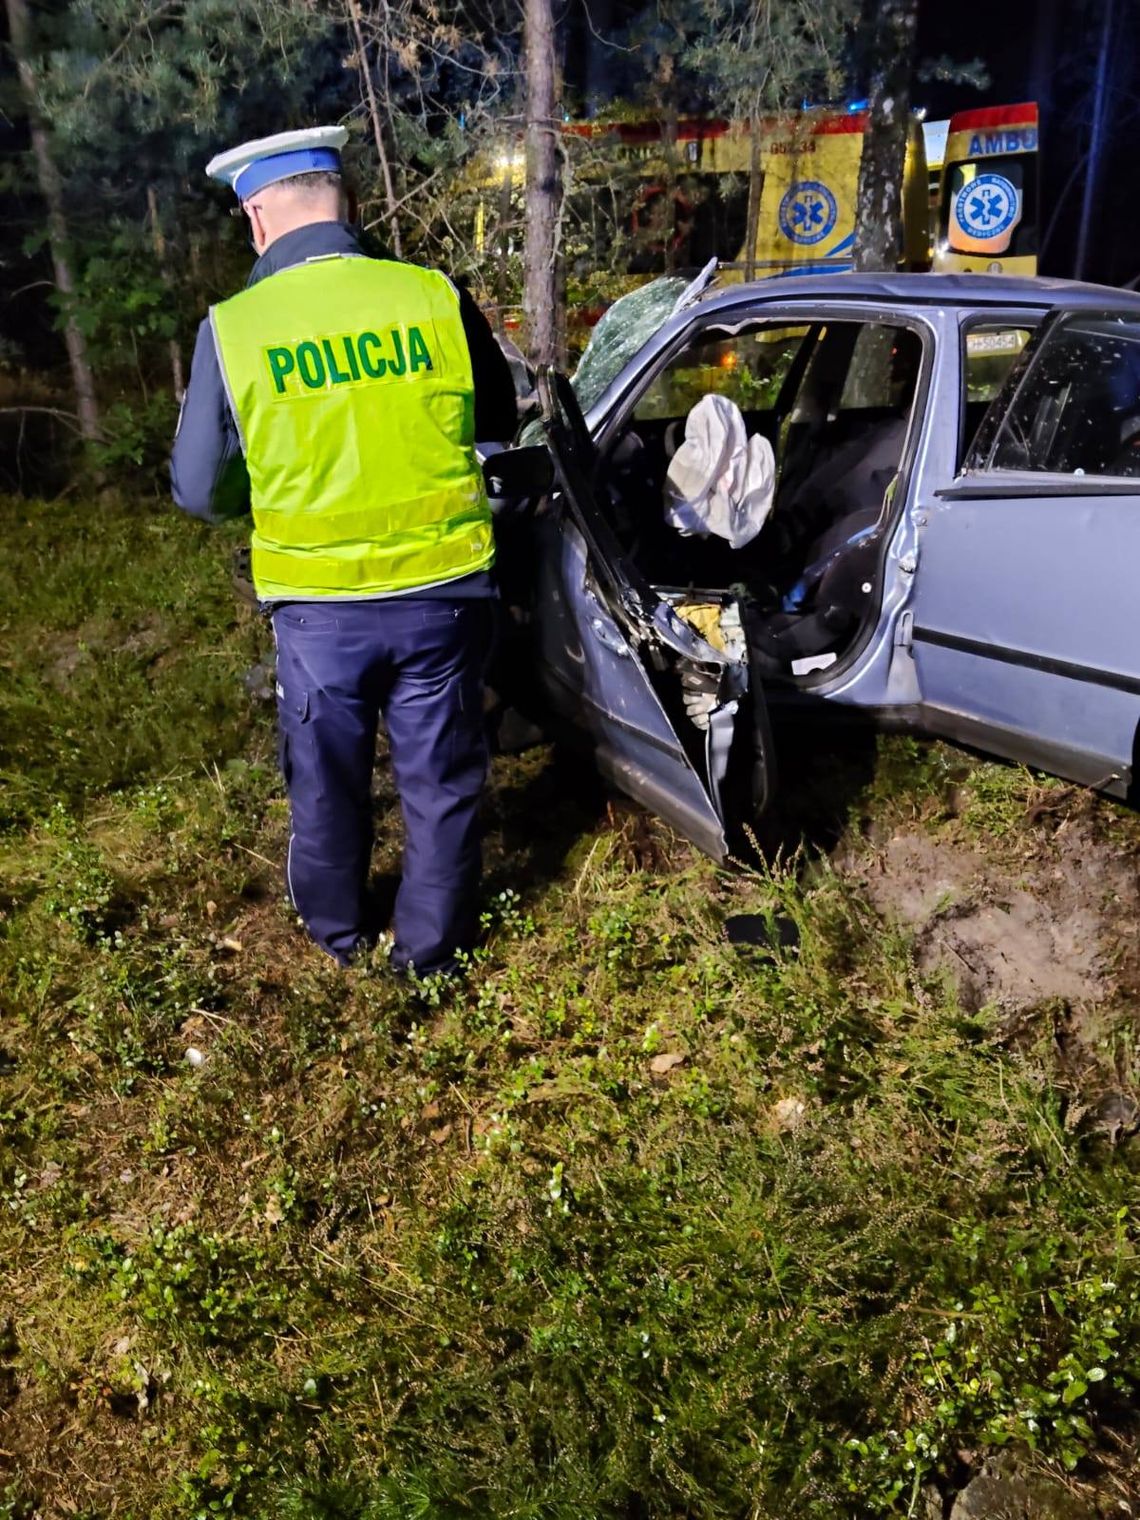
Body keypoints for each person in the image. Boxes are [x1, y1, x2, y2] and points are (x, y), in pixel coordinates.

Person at [171, 125, 517, 976]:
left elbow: (196, 487)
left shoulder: (237, 327)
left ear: (257, 217)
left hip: (321, 612)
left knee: (326, 784)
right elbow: (500, 426)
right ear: (347, 204)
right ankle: (428, 959)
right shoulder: (433, 295)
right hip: (443, 593)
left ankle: (339, 941)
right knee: (440, 785)